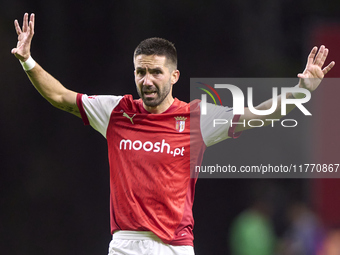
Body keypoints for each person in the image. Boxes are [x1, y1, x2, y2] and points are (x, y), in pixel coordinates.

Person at [11, 13, 335, 255]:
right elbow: (62, 97)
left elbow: (258, 116)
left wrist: (300, 91)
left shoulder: (197, 117)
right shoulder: (116, 111)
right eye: (140, 72)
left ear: (174, 75)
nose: (147, 80)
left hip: (176, 247)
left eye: (155, 72)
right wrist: (27, 61)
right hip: (126, 243)